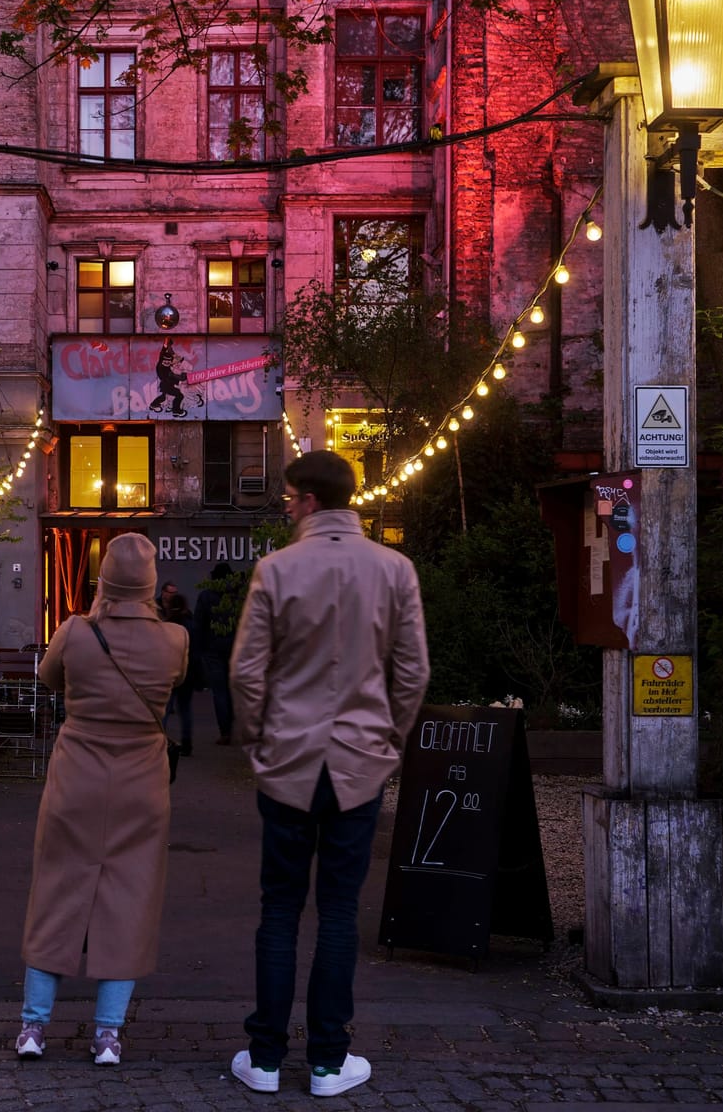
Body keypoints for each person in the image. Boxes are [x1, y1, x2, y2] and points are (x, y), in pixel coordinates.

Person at [227, 451, 430, 1098]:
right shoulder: (395, 569)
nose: (286, 507)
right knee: (339, 910)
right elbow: (413, 670)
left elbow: (246, 672)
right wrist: (389, 738)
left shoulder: (276, 569)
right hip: (359, 762)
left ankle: (263, 1058)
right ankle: (326, 1062)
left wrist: (255, 741)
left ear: (311, 500)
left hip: (288, 759)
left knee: (280, 908)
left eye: (289, 498)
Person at [17, 533, 188, 1066]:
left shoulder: (75, 631)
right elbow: (175, 687)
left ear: (104, 580)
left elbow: (48, 680)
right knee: (128, 901)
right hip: (141, 783)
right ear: (151, 584)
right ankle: (108, 1034)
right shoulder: (175, 639)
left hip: (78, 778)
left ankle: (33, 1027)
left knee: (55, 892)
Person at [192, 562, 237, 745]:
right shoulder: (237, 597)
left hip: (212, 649)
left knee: (219, 692)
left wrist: (199, 649)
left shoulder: (206, 596)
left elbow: (198, 624)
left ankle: (225, 731)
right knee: (232, 690)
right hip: (234, 647)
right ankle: (233, 727)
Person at [158, 580, 199, 755]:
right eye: (170, 592)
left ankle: (160, 743)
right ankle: (186, 743)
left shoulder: (166, 624)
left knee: (166, 708)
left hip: (168, 670)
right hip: (185, 670)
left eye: (174, 593)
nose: (171, 596)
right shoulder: (188, 622)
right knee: (183, 709)